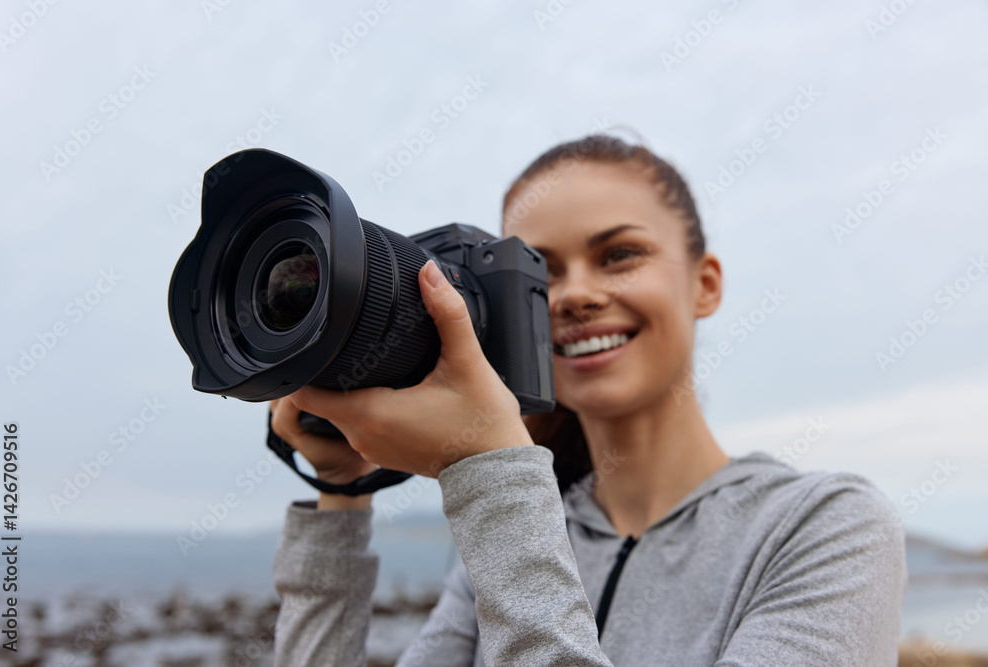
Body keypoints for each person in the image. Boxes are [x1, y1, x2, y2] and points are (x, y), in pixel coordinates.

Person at [267, 134, 908, 666]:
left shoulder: (825, 527)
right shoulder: (523, 538)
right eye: (537, 274)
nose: (573, 295)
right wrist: (340, 493)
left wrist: (490, 471)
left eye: (619, 254)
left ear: (704, 284)